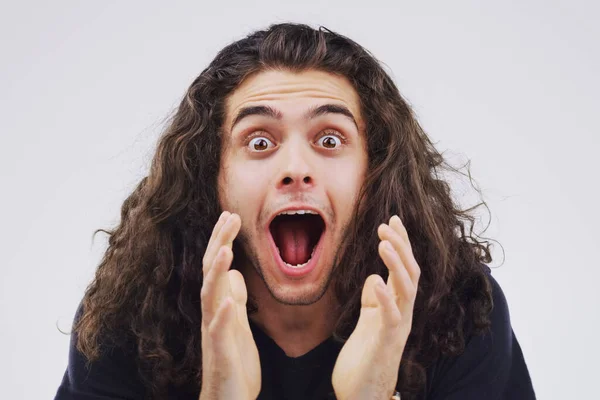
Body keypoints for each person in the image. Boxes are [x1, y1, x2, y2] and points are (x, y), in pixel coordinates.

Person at [54, 23, 536, 400]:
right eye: (259, 141)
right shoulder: (132, 314)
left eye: (330, 139)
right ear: (212, 176)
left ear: (375, 172)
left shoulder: (460, 309)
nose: (296, 169)